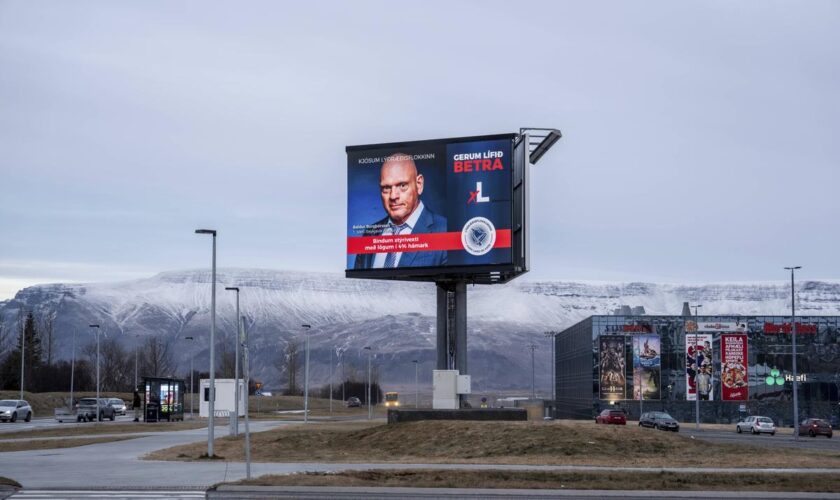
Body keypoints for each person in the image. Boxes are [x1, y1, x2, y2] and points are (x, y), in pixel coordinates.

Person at [354, 153, 447, 269]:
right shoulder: (368, 235)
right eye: (386, 188)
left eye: (402, 185)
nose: (393, 196)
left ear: (419, 184)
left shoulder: (446, 232)